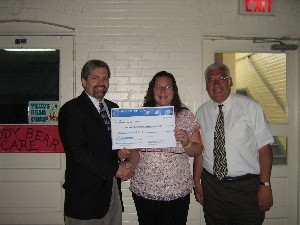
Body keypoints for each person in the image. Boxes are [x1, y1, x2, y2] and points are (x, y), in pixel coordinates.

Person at [193, 63, 274, 225]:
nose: (216, 84)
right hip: (213, 187)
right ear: (206, 85)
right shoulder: (202, 112)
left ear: (230, 81)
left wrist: (265, 184)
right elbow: (200, 151)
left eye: (221, 78)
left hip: (246, 188)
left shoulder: (251, 107)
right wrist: (196, 182)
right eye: (211, 80)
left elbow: (264, 149)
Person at [58, 60, 136, 225]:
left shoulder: (113, 108)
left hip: (111, 192)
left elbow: (111, 146)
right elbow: (78, 153)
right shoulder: (71, 110)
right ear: (84, 81)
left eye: (105, 78)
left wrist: (120, 154)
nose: (101, 82)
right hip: (85, 196)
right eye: (95, 78)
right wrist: (116, 168)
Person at [129, 71, 203, 225]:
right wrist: (126, 155)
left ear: (174, 91)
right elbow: (134, 152)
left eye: (167, 87)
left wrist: (187, 142)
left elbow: (198, 150)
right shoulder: (140, 116)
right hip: (145, 190)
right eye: (158, 87)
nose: (163, 91)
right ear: (152, 90)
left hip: (177, 191)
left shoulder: (185, 116)